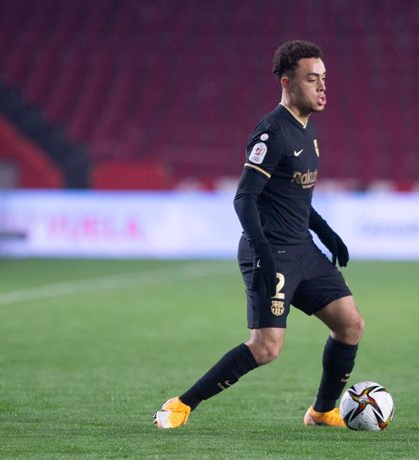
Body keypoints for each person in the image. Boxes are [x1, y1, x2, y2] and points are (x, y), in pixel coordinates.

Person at [154, 40, 364, 429]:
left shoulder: (308, 129)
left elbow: (294, 197)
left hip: (302, 249)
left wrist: (326, 232)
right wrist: (263, 253)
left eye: (323, 79)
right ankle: (181, 404)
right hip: (269, 251)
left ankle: (322, 411)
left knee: (350, 325)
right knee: (267, 348)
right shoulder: (272, 134)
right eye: (312, 79)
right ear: (287, 83)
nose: (322, 87)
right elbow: (244, 198)